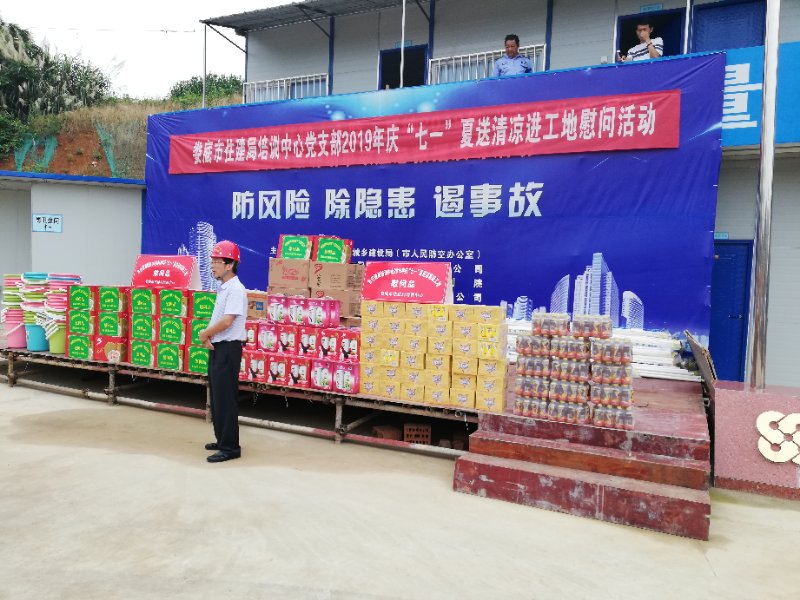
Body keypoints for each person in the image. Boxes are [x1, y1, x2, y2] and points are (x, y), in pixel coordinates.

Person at [198, 240, 247, 463]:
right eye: (213, 261)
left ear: (230, 265)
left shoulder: (236, 289)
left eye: (217, 261)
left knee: (225, 399)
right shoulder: (224, 288)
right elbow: (220, 319)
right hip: (219, 347)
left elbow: (227, 321)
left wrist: (205, 333)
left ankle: (230, 447)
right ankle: (222, 439)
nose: (213, 265)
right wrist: (210, 337)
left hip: (228, 349)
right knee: (218, 397)